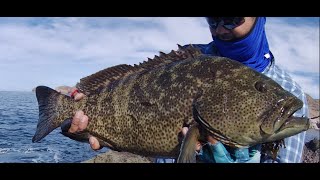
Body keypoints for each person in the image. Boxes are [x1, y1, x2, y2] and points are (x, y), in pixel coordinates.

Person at [58, 17, 309, 163]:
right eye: (213, 19)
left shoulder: (288, 93)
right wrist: (73, 122)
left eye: (232, 17)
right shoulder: (189, 58)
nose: (221, 28)